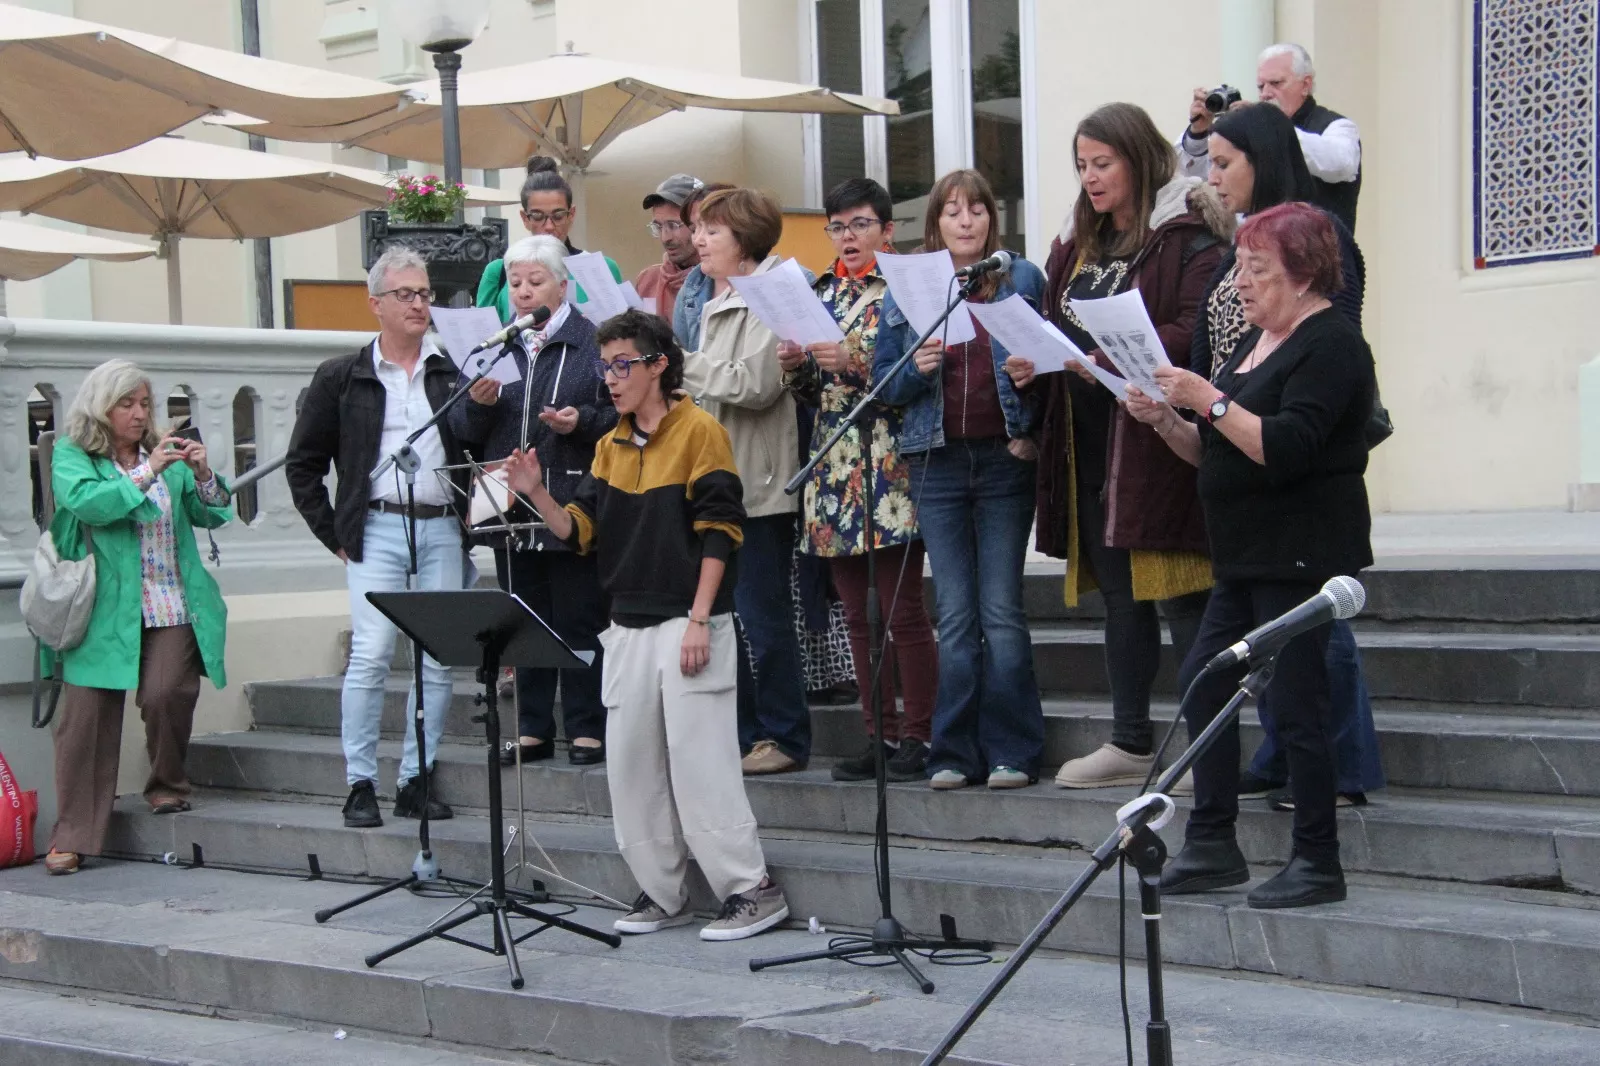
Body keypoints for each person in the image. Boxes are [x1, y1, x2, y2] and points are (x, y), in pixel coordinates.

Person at [502, 308, 790, 941]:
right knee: (630, 766)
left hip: (690, 621)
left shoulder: (700, 431)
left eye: (622, 365)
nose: (610, 378)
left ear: (659, 365)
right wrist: (535, 492)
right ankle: (664, 892)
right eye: (606, 366)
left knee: (702, 764)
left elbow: (722, 532)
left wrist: (698, 620)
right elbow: (579, 532)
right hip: (626, 627)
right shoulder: (608, 445)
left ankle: (751, 889)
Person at [1128, 202, 1375, 909]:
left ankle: (1318, 859)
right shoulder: (1252, 344)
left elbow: (1282, 446)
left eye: (1256, 268)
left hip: (1299, 555)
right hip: (1240, 555)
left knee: (1297, 707)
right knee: (1206, 685)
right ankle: (1212, 842)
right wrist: (1165, 421)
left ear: (1303, 274)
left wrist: (1205, 399)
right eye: (1238, 267)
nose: (1239, 282)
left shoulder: (1333, 344)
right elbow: (1212, 447)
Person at [1012, 102, 1230, 790]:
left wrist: (1105, 349)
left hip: (1156, 441)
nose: (1091, 178)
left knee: (1184, 597)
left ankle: (1205, 747)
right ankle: (1130, 741)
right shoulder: (1075, 243)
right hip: (1087, 442)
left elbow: (1197, 329)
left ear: (1139, 159)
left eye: (1102, 163)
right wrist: (1036, 359)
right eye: (1082, 165)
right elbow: (1050, 321)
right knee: (1119, 600)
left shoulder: (1185, 236)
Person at [1198, 103, 1383, 807]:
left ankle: (1334, 779)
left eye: (1224, 162)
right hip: (1247, 517)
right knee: (1219, 671)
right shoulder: (1246, 251)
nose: (1212, 177)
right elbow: (1222, 343)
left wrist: (1213, 401)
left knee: (1312, 662)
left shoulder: (1316, 255)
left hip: (1301, 520)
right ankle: (1232, 816)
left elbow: (1312, 398)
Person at [872, 169, 1047, 790]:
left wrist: (1034, 380)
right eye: (952, 210)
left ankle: (1013, 750)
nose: (965, 220)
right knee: (953, 612)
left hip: (1005, 459)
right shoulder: (911, 287)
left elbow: (1052, 366)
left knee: (1000, 611)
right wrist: (916, 369)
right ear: (936, 223)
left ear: (991, 219)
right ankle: (952, 751)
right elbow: (884, 388)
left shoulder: (1021, 277)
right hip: (935, 462)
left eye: (976, 209)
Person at [287, 246, 466, 829]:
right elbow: (303, 463)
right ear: (376, 305)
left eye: (424, 293)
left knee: (437, 659)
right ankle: (359, 782)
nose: (419, 304)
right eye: (405, 295)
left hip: (440, 524)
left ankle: (416, 778)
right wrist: (333, 531)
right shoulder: (344, 375)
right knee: (370, 655)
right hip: (378, 525)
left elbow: (477, 444)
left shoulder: (452, 368)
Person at [41, 360, 233, 875]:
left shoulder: (163, 455)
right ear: (101, 407)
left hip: (170, 600)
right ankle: (73, 835)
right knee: (86, 722)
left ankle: (167, 785)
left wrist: (201, 473)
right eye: (127, 403)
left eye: (144, 404)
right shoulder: (72, 454)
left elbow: (213, 512)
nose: (139, 413)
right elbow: (92, 505)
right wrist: (149, 472)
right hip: (103, 607)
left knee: (167, 692)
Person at [778, 177, 938, 783]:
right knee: (857, 618)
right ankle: (879, 736)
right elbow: (814, 395)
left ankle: (919, 735)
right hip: (832, 464)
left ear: (886, 229)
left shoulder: (906, 286)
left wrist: (856, 361)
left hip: (891, 463)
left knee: (903, 612)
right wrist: (795, 369)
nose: (848, 237)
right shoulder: (817, 292)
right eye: (838, 227)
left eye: (861, 225)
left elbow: (921, 371)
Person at [449, 235, 616, 766]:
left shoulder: (590, 341)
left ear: (563, 286)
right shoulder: (496, 344)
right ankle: (534, 727)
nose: (523, 292)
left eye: (535, 281)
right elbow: (460, 425)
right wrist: (478, 405)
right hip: (506, 501)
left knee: (578, 616)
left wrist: (580, 421)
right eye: (516, 282)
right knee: (525, 617)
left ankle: (588, 726)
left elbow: (620, 411)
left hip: (568, 494)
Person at [679, 187, 813, 775]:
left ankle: (784, 737)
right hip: (718, 481)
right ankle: (746, 734)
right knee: (729, 617)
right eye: (698, 230)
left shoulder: (772, 295)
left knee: (763, 617)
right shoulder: (718, 300)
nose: (698, 240)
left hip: (758, 483)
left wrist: (676, 360)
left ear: (745, 238)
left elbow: (756, 385)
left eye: (711, 230)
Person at [1179, 43, 1362, 230]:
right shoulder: (1258, 130)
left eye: (1276, 83)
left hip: (1321, 250)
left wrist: (1271, 126)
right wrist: (1199, 132)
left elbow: (1341, 164)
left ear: (1305, 85)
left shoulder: (1338, 127)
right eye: (1260, 86)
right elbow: (1202, 180)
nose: (1266, 94)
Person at [476, 156, 623, 322]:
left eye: (558, 216)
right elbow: (484, 335)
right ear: (525, 218)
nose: (549, 226)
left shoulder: (601, 268)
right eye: (538, 216)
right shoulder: (498, 271)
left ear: (571, 214)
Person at [671, 181, 736, 349]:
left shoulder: (787, 281)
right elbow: (682, 359)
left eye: (711, 230)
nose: (698, 240)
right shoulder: (692, 285)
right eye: (694, 229)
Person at [635, 173, 704, 318]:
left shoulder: (721, 281)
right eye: (658, 226)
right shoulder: (648, 280)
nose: (665, 238)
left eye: (673, 225)